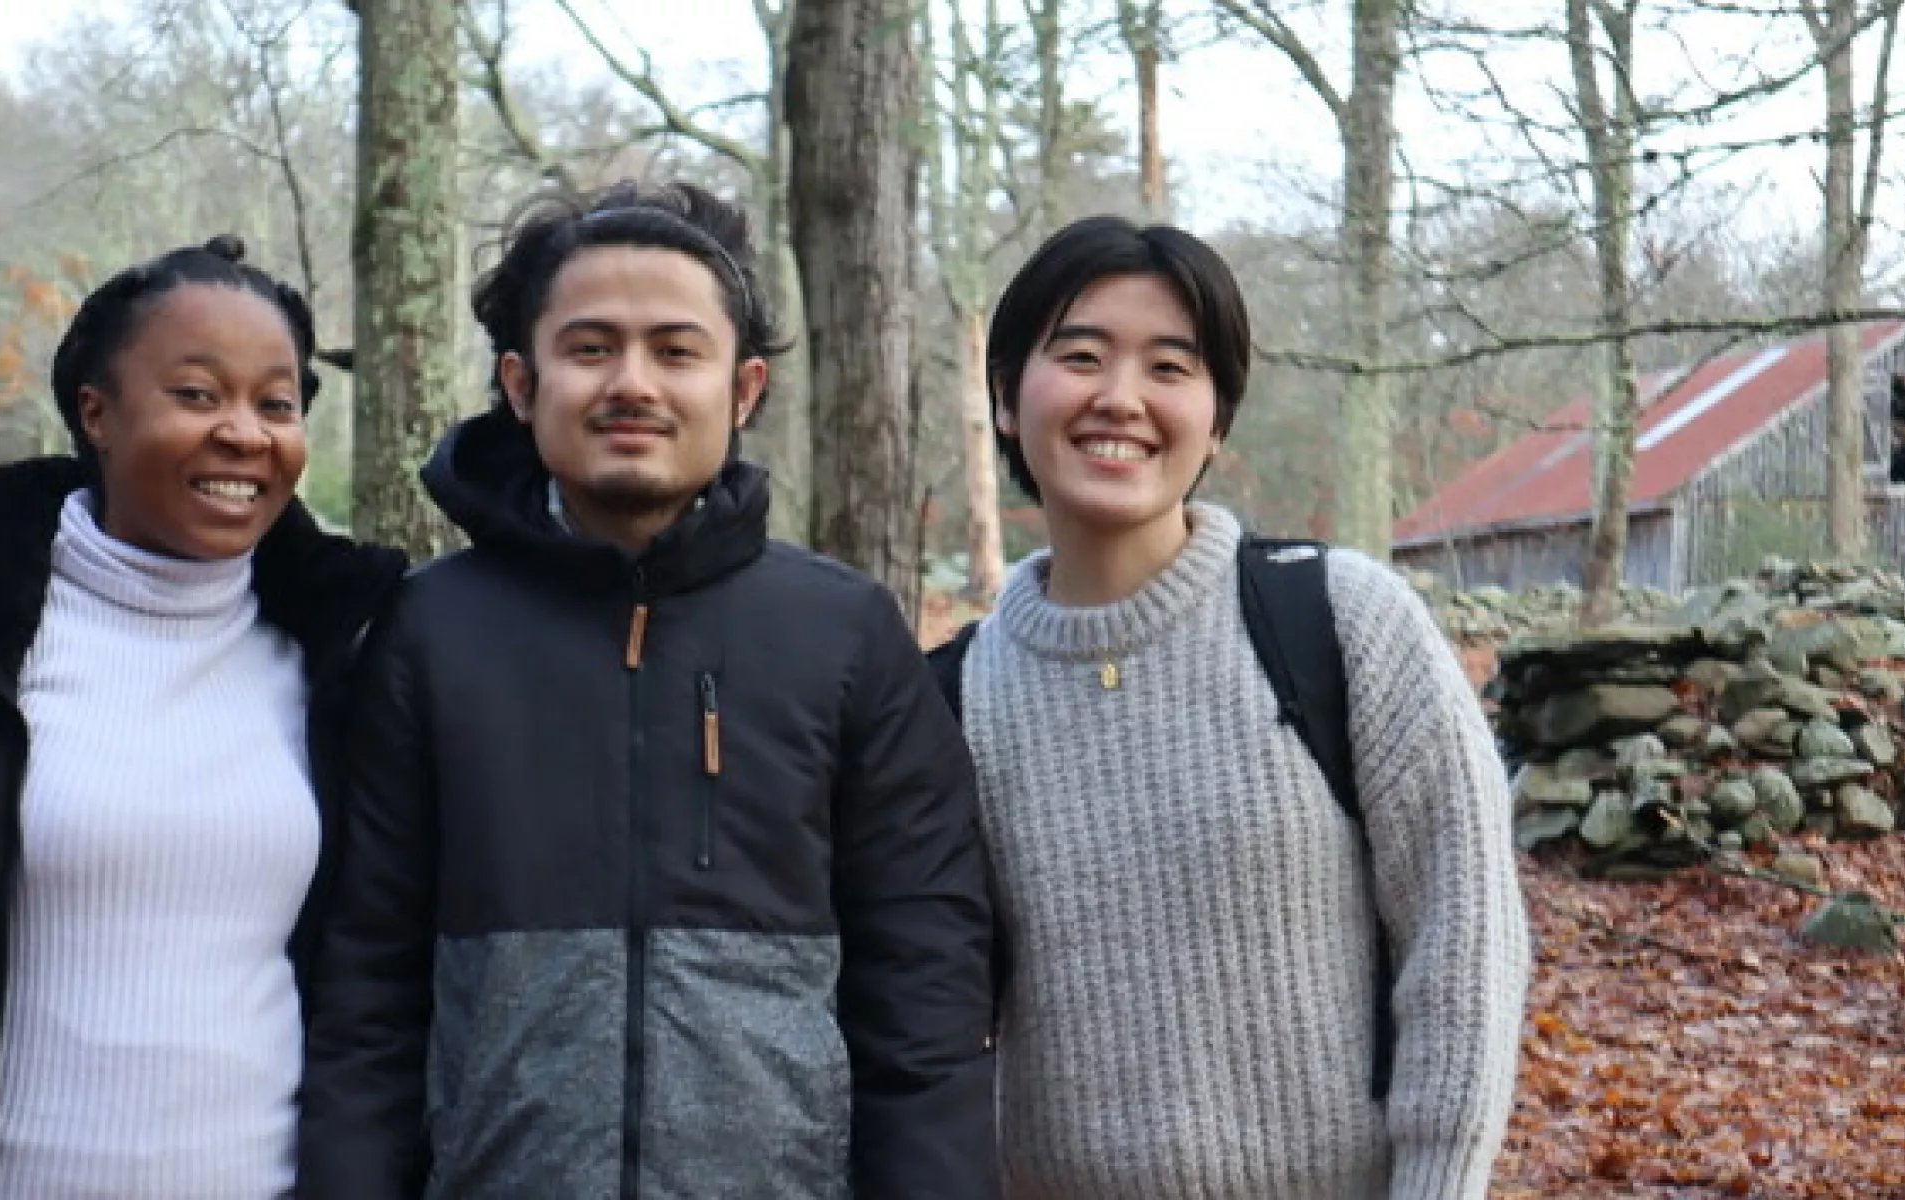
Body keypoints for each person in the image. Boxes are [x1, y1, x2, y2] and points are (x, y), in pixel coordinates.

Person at [300, 180, 1000, 1200]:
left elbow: (925, 991)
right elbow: (366, 990)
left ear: (744, 388)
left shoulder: (843, 635)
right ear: (521, 382)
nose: (633, 383)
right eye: (590, 349)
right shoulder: (428, 634)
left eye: (677, 351)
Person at [0, 236, 409, 1199]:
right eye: (197, 395)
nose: (244, 432)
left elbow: (381, 995)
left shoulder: (349, 652)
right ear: (95, 414)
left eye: (277, 404)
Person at [929, 215, 1530, 1199]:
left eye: (1170, 367)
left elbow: (1463, 935)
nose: (1119, 398)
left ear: (1217, 420)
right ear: (1005, 397)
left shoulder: (1337, 621)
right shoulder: (952, 701)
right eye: (1079, 356)